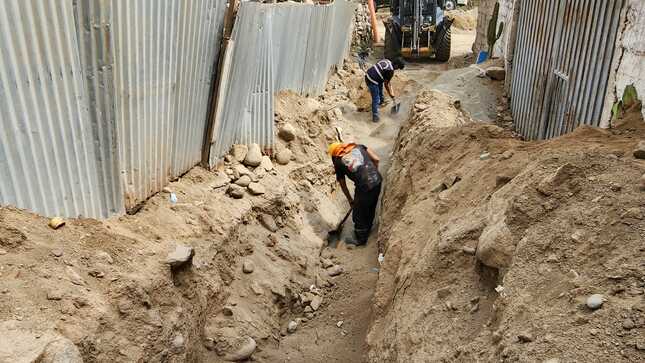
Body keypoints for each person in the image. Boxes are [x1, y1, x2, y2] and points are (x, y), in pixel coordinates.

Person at [328, 142, 382, 245]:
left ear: (334, 154)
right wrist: (373, 174)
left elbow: (343, 184)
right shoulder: (360, 146)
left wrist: (350, 200)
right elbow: (376, 159)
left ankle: (360, 239)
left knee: (358, 213)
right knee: (370, 206)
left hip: (364, 187)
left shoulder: (338, 161)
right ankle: (368, 229)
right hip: (377, 180)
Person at [365, 58, 405, 123]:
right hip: (371, 80)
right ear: (396, 65)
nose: (397, 69)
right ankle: (375, 116)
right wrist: (391, 95)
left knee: (380, 83)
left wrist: (391, 91)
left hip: (368, 74)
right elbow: (386, 84)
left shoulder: (386, 60)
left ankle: (381, 101)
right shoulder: (390, 71)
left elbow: (387, 81)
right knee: (376, 99)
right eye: (398, 68)